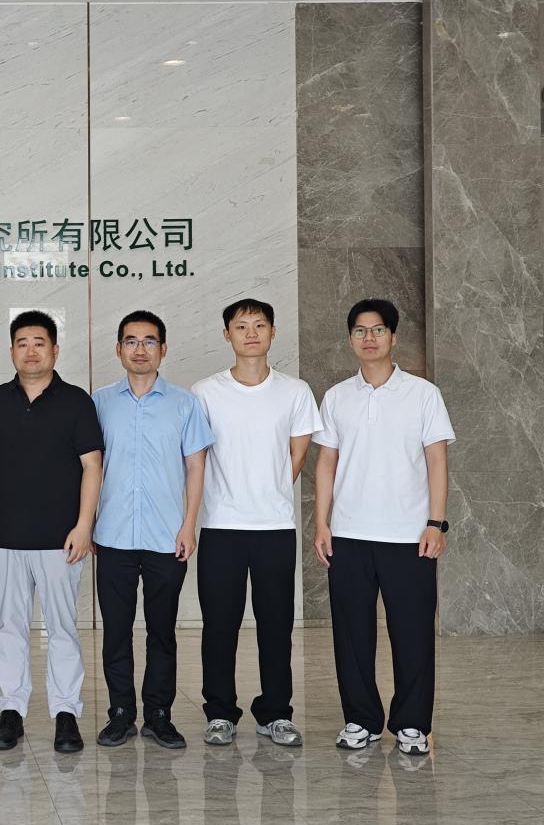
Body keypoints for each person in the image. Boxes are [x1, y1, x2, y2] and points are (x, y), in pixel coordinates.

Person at [313, 299, 454, 756]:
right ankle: (360, 720)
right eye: (360, 330)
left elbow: (437, 460)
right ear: (350, 339)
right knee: (352, 634)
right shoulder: (337, 396)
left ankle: (412, 724)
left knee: (413, 633)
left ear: (393, 336)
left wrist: (435, 522)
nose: (368, 338)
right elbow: (327, 462)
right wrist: (322, 522)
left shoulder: (422, 394)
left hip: (408, 536)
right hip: (349, 535)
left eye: (377, 330)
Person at [192, 298, 321, 748]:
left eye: (259, 325)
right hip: (220, 526)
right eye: (241, 326)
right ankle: (219, 713)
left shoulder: (295, 391)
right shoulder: (205, 392)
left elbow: (298, 453)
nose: (251, 333)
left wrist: (269, 490)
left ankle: (276, 713)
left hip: (274, 527)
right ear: (226, 334)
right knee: (219, 626)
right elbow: (196, 458)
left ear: (272, 332)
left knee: (276, 624)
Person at [0, 311, 102, 754]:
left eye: (39, 343)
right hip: (7, 537)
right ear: (11, 351)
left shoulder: (76, 402)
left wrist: (84, 526)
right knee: (10, 627)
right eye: (22, 343)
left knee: (63, 628)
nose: (31, 351)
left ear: (55, 350)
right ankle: (12, 710)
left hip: (61, 540)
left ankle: (66, 713)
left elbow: (92, 466)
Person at [92, 311, 213, 751]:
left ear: (163, 349)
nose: (139, 349)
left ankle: (159, 714)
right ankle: (121, 713)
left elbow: (195, 467)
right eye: (131, 341)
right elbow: (88, 468)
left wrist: (189, 524)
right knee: (116, 631)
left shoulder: (184, 404)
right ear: (118, 349)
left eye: (148, 341)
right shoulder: (99, 402)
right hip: (112, 537)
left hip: (167, 538)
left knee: (162, 631)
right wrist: (87, 522)